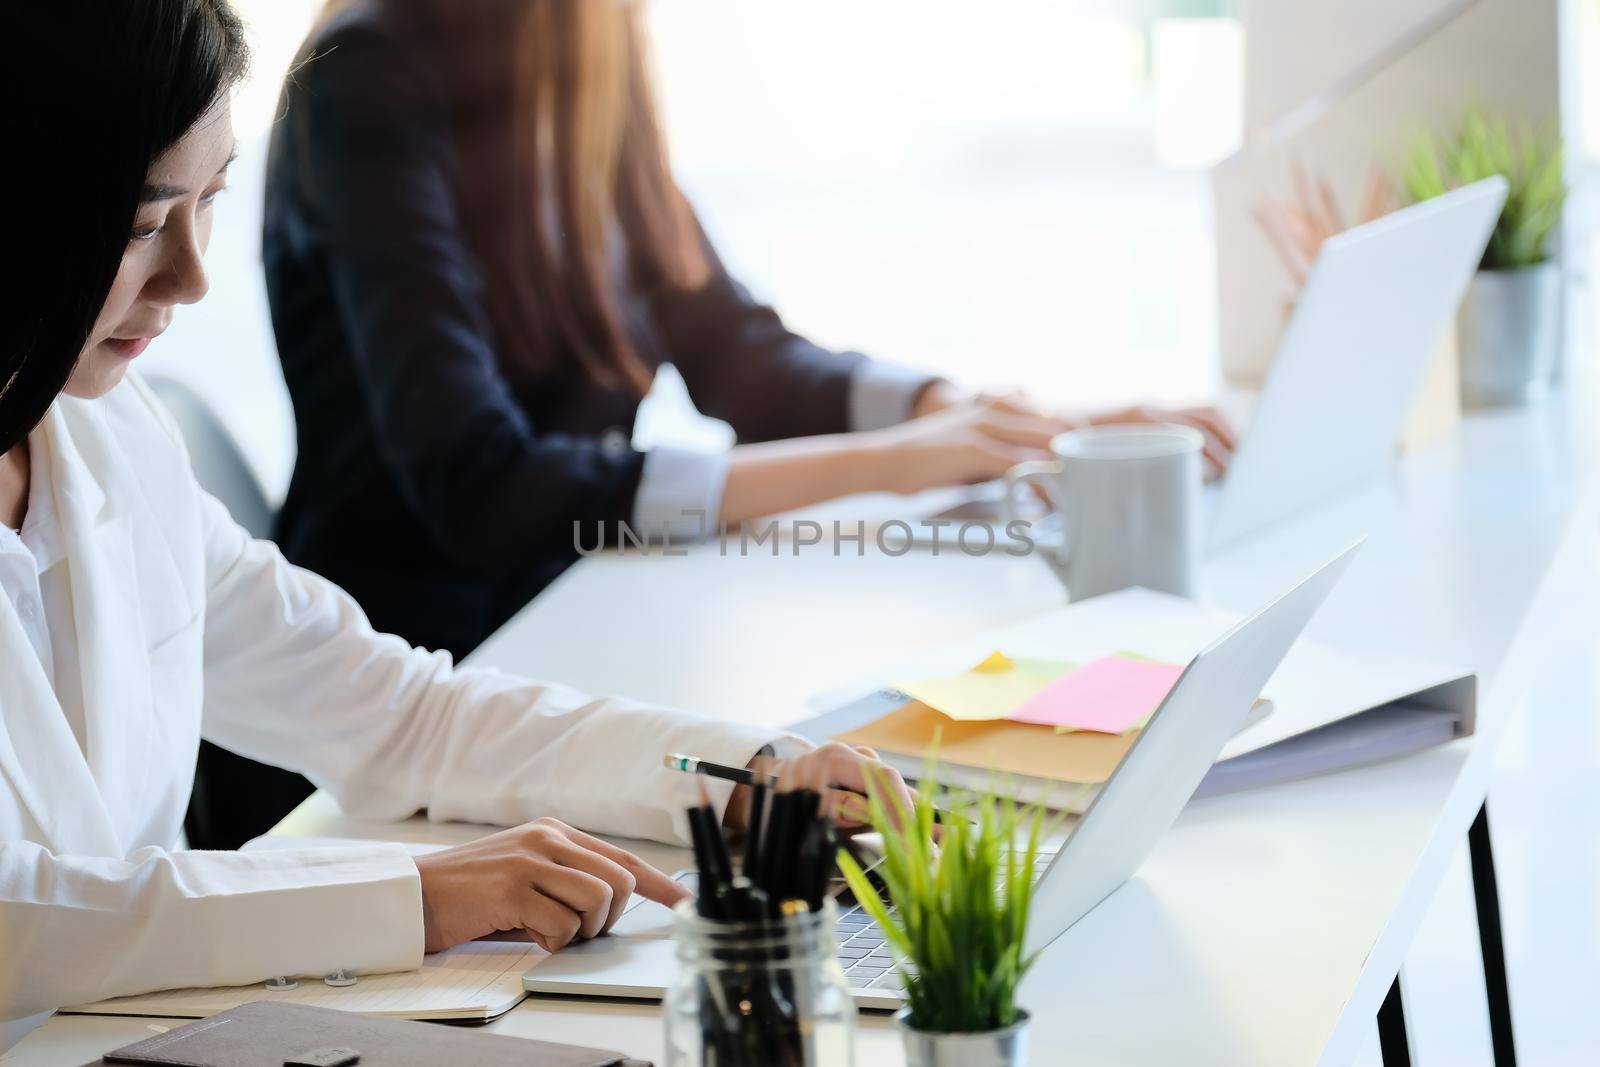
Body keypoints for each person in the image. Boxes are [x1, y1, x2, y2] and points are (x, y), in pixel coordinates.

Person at [0, 0, 912, 1041]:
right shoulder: (382, 75)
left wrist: (743, 776)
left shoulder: (113, 436)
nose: (194, 276)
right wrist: (412, 896)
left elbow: (402, 714)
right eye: (144, 224)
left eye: (212, 202)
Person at [234, 0, 1236, 850]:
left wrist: (992, 420)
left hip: (561, 635)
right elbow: (484, 486)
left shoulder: (584, 47)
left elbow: (737, 355)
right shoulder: (365, 73)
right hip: (397, 688)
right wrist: (886, 464)